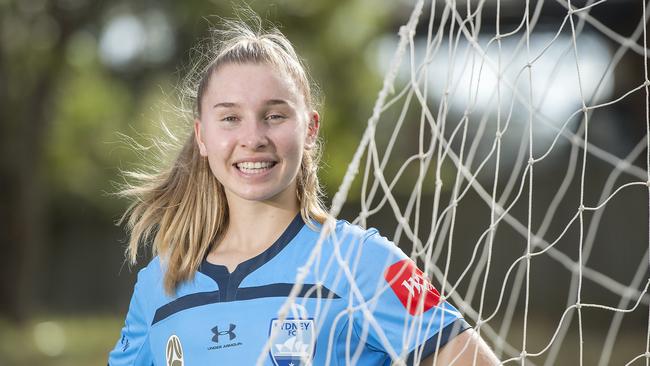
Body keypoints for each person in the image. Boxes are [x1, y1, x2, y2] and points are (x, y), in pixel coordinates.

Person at [108, 15, 501, 366]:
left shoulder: (362, 263)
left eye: (274, 116)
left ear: (309, 129)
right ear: (202, 137)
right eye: (230, 118)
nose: (253, 138)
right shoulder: (160, 282)